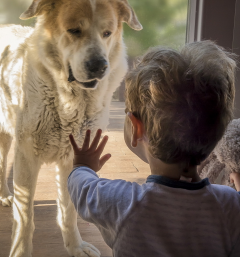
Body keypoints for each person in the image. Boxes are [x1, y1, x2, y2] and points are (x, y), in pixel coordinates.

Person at [68, 40, 240, 257]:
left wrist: (83, 165)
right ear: (218, 134)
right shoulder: (230, 207)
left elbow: (81, 190)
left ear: (136, 128)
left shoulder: (121, 203)